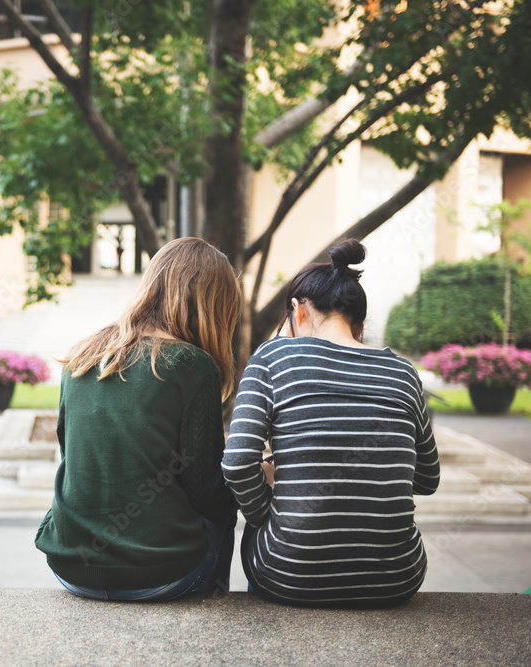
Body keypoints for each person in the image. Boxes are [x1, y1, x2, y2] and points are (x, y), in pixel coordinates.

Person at [223, 238, 439, 608]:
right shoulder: (403, 372)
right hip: (397, 578)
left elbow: (238, 463)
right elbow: (426, 480)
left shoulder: (273, 357)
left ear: (297, 310)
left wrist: (269, 514)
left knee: (249, 537)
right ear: (360, 323)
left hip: (289, 575)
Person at [35, 237, 242, 601]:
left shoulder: (83, 353)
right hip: (159, 577)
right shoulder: (193, 367)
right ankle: (212, 604)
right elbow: (208, 495)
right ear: (214, 305)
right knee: (226, 509)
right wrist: (250, 477)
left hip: (68, 567)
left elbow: (73, 453)